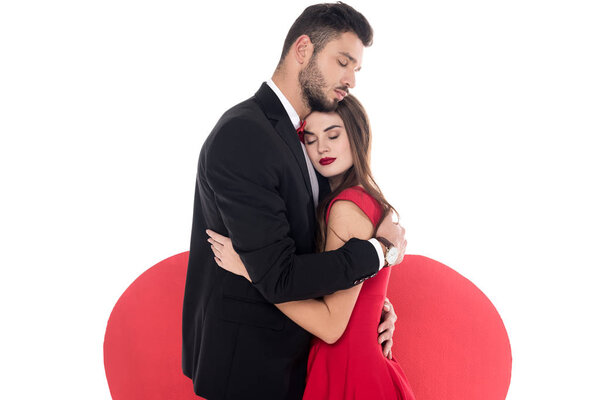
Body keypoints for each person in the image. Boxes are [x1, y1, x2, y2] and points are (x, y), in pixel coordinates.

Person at [181, 3, 407, 399]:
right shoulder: (245, 134)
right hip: (250, 370)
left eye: (357, 69)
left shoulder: (300, 134)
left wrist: (368, 302)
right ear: (303, 49)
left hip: (297, 362)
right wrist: (378, 253)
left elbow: (308, 246)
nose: (351, 79)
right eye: (343, 61)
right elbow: (279, 276)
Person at [208, 95, 415, 399]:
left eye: (333, 135)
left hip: (348, 369)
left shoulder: (344, 209)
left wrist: (250, 270)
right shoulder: (358, 201)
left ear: (357, 136)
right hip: (356, 363)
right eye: (310, 139)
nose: (322, 148)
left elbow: (331, 326)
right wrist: (379, 308)